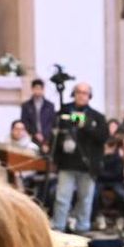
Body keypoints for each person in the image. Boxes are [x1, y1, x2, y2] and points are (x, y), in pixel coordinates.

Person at [50, 82, 107, 234]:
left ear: (89, 96)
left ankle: (82, 227)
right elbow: (55, 133)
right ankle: (59, 227)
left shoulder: (97, 116)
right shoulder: (63, 111)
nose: (81, 95)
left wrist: (84, 124)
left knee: (85, 199)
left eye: (85, 93)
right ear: (73, 94)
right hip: (67, 163)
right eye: (78, 92)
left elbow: (102, 137)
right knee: (62, 198)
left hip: (87, 165)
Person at [94, 135, 124, 231]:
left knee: (121, 194)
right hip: (101, 181)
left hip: (116, 181)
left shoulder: (118, 158)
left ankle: (121, 216)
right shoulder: (99, 157)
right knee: (94, 194)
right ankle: (99, 216)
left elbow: (118, 174)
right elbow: (96, 171)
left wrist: (103, 174)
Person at [20, 78, 56, 151]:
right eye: (36, 88)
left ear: (43, 90)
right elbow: (25, 122)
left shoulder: (49, 106)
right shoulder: (26, 105)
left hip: (47, 138)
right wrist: (35, 133)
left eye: (40, 88)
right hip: (31, 137)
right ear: (32, 89)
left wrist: (45, 136)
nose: (38, 91)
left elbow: (52, 122)